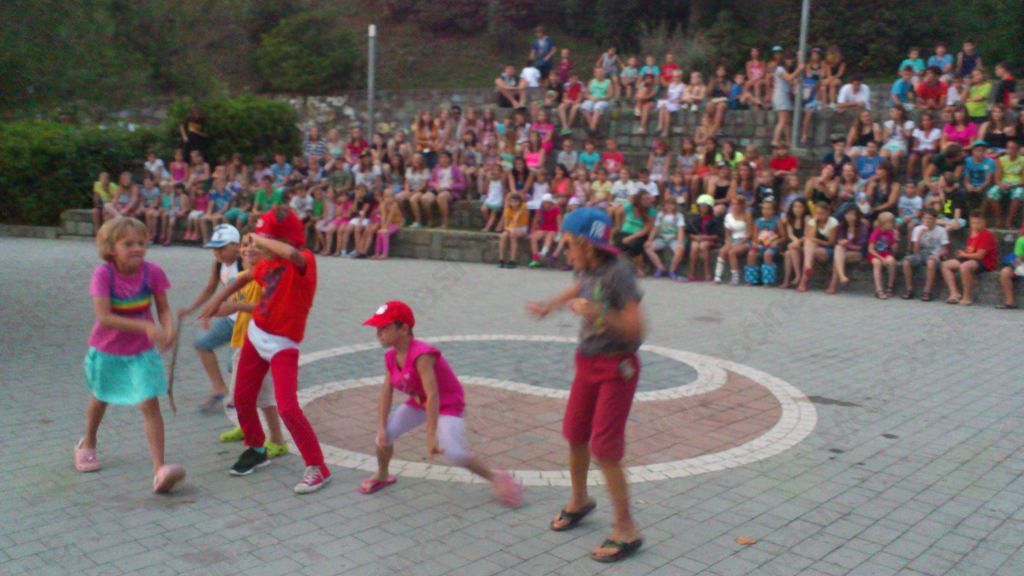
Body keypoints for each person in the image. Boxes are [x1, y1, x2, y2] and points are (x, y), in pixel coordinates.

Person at [526, 207, 645, 563]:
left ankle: (626, 528)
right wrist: (550, 305)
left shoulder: (619, 272)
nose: (565, 250)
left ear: (586, 244)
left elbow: (637, 329)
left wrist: (599, 313)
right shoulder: (587, 266)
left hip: (617, 366)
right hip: (588, 360)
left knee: (605, 448)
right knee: (575, 432)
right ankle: (579, 499)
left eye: (568, 244)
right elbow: (580, 286)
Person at [199, 207, 330, 493]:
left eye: (265, 240)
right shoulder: (270, 264)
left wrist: (258, 237)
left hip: (283, 345)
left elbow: (293, 254)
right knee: (242, 398)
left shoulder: (303, 260)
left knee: (288, 408)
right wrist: (219, 299)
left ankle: (318, 466)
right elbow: (245, 277)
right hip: (256, 336)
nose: (257, 247)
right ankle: (257, 449)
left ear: (282, 238)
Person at [358, 300, 523, 504]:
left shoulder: (422, 355)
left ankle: (497, 478)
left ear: (404, 329)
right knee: (384, 437)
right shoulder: (391, 357)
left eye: (384, 328)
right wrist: (380, 427)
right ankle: (383, 475)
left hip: (447, 403)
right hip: (420, 402)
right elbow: (386, 393)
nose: (378, 333)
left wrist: (431, 437)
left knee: (454, 452)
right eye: (377, 328)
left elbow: (433, 395)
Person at [75, 218, 185, 494]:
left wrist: (168, 329)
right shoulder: (104, 274)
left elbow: (163, 309)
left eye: (141, 243)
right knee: (101, 397)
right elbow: (104, 316)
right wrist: (147, 327)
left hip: (141, 352)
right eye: (128, 244)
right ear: (111, 248)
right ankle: (88, 441)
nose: (137, 248)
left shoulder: (152, 272)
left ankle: (159, 470)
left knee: (150, 403)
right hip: (107, 349)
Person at [211, 234, 288, 454]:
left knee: (264, 396)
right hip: (243, 342)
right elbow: (233, 302)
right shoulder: (241, 277)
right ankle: (246, 427)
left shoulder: (269, 279)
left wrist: (236, 307)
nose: (248, 250)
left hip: (262, 346)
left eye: (256, 246)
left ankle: (278, 440)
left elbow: (269, 309)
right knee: (240, 394)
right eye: (245, 245)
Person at [176, 224, 245, 412]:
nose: (217, 252)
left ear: (237, 246)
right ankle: (219, 387)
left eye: (222, 248)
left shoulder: (245, 264)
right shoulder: (218, 265)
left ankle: (244, 394)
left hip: (246, 321)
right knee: (203, 344)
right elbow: (210, 289)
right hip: (230, 318)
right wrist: (191, 309)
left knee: (234, 364)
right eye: (215, 248)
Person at [941, 211, 997, 306]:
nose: (975, 226)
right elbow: (971, 250)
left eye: (978, 223)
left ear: (984, 223)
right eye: (972, 223)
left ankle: (967, 297)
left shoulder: (986, 235)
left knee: (964, 266)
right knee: (945, 265)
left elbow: (980, 255)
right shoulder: (972, 233)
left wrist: (964, 255)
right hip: (970, 258)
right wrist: (963, 254)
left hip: (985, 262)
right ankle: (954, 293)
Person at [901, 208, 949, 301]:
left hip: (934, 254)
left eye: (930, 218)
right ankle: (909, 289)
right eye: (925, 218)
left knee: (931, 262)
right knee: (906, 261)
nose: (927, 221)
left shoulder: (941, 230)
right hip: (921, 254)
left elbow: (945, 250)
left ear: (935, 220)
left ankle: (927, 291)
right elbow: (915, 251)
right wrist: (919, 235)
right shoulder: (917, 229)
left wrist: (937, 255)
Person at [797, 201, 839, 292]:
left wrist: (816, 240)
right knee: (809, 245)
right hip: (813, 249)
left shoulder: (833, 222)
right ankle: (808, 266)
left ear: (828, 213)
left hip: (828, 249)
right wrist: (815, 224)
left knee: (810, 253)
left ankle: (803, 283)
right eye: (817, 213)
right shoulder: (812, 222)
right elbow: (810, 237)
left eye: (822, 213)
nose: (819, 215)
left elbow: (831, 243)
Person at [645, 195, 686, 280]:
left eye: (671, 204)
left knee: (679, 250)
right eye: (667, 204)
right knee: (648, 248)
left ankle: (672, 270)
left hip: (673, 239)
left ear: (675, 206)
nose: (669, 206)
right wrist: (649, 240)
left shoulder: (679, 216)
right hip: (662, 239)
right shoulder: (660, 215)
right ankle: (660, 267)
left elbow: (680, 230)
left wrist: (680, 242)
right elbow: (655, 229)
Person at [746, 199, 782, 286]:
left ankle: (768, 280)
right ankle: (751, 279)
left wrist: (777, 241)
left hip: (773, 246)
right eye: (764, 209)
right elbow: (755, 237)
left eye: (769, 208)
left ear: (773, 210)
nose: (766, 211)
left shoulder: (777, 221)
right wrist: (756, 243)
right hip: (761, 245)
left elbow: (784, 236)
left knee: (768, 254)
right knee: (751, 254)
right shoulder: (758, 221)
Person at [716, 197, 752, 285]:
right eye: (733, 204)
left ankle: (735, 277)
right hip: (733, 239)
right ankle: (717, 276)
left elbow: (749, 233)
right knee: (722, 251)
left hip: (745, 240)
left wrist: (740, 243)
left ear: (742, 205)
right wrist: (728, 242)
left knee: (732, 252)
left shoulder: (747, 215)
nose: (734, 206)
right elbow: (728, 233)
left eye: (737, 204)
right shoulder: (728, 216)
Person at [989, 139, 1024, 228]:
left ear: (1018, 150)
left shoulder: (1023, 160)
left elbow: (1023, 181)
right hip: (1003, 183)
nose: (1010, 150)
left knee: (1018, 194)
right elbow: (997, 179)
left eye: (1013, 148)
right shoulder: (1001, 160)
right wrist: (1001, 185)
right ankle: (999, 218)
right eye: (1008, 148)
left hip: (1017, 184)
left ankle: (1009, 220)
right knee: (992, 193)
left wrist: (1013, 185)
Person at [687, 194, 720, 281]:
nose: (702, 208)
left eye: (705, 206)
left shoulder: (715, 219)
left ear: (709, 207)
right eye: (701, 206)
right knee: (694, 246)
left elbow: (716, 235)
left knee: (703, 246)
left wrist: (705, 237)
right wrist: (695, 237)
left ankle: (707, 272)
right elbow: (689, 233)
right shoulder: (694, 219)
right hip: (697, 239)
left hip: (710, 240)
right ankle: (692, 273)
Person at [867, 212, 899, 299]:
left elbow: (894, 249)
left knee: (891, 261)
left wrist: (895, 239)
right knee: (877, 263)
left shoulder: (889, 233)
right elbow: (870, 249)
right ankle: (879, 289)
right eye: (890, 223)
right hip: (875, 254)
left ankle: (890, 286)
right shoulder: (876, 233)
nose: (892, 224)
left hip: (885, 253)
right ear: (884, 223)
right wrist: (881, 258)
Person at [529, 194, 562, 267]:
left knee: (549, 235)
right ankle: (535, 259)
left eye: (547, 202)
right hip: (543, 229)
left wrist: (559, 233)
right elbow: (535, 221)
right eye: (544, 202)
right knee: (533, 237)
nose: (545, 204)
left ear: (551, 203)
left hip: (553, 230)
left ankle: (543, 253)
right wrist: (532, 230)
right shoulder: (540, 210)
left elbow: (559, 223)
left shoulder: (556, 209)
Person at [498, 193, 529, 268]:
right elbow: (506, 224)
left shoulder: (523, 206)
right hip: (511, 228)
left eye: (516, 201)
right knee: (503, 236)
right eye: (511, 201)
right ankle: (501, 259)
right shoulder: (508, 210)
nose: (513, 203)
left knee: (513, 236)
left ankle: (512, 261)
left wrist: (517, 215)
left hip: (522, 228)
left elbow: (517, 216)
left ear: (519, 202)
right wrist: (507, 229)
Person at [996, 227, 1024, 309]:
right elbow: (1018, 260)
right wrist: (1015, 265)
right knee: (1005, 272)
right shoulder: (1021, 241)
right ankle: (1010, 302)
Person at [581, 68, 613, 133]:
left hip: (602, 100)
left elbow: (610, 94)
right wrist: (590, 97)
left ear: (603, 73)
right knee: (584, 107)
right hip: (592, 99)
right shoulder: (592, 81)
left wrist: (600, 98)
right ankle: (593, 127)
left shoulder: (607, 82)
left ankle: (592, 128)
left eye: (601, 72)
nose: (599, 74)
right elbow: (586, 94)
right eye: (597, 72)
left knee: (597, 108)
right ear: (594, 74)